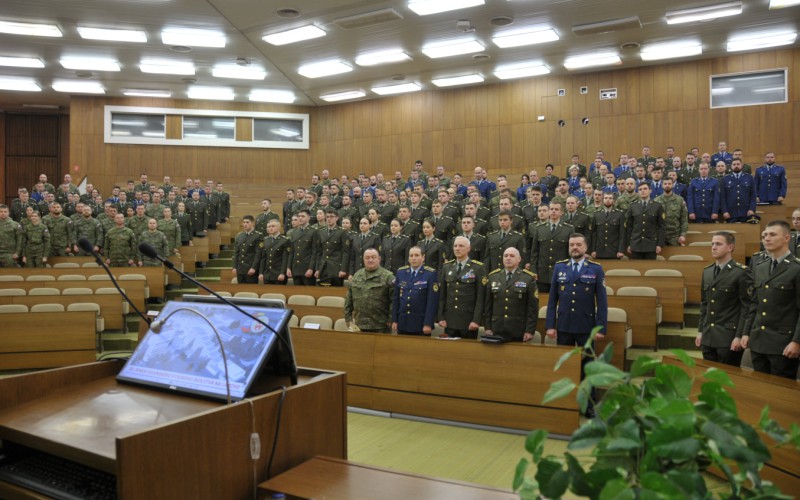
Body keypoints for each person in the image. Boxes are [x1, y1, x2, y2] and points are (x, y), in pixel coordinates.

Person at [545, 234, 608, 416]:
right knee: (565, 367)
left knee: (588, 368)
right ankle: (564, 404)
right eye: (572, 244)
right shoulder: (559, 267)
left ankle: (588, 406)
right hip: (564, 326)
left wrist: (601, 328)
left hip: (586, 327)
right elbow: (552, 300)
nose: (575, 247)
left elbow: (602, 302)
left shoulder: (595, 269)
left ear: (585, 247)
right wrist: (550, 325)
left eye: (578, 244)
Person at [741, 221, 800, 379]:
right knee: (759, 387)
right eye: (764, 235)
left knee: (781, 391)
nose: (767, 238)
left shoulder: (796, 268)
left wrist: (797, 341)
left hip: (783, 344)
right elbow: (755, 304)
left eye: (772, 234)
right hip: (758, 341)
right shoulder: (760, 267)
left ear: (787, 238)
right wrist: (746, 332)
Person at [696, 232, 752, 367]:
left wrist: (739, 336)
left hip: (728, 337)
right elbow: (705, 304)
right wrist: (700, 331)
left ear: (730, 247)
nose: (714, 247)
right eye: (712, 244)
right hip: (708, 336)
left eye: (718, 244)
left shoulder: (741, 272)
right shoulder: (707, 271)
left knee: (728, 377)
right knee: (709, 376)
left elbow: (746, 308)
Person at [484, 247, 538, 342]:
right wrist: (487, 327)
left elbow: (532, 308)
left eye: (512, 256)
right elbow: (488, 306)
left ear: (519, 259)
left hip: (518, 330)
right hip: (496, 329)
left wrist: (530, 330)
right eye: (506, 256)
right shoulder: (493, 277)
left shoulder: (528, 278)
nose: (508, 258)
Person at [438, 236, 486, 339]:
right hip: (450, 320)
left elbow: (480, 298)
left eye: (461, 246)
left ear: (469, 248)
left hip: (468, 321)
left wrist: (476, 320)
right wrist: (441, 317)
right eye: (455, 246)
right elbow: (442, 296)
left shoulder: (478, 268)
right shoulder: (447, 267)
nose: (457, 248)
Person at [344, 248, 395, 332]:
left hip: (380, 326)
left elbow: (394, 300)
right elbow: (349, 299)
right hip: (359, 324)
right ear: (363, 259)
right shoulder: (357, 276)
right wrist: (348, 318)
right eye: (367, 258)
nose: (370, 260)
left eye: (373, 257)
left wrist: (391, 318)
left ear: (379, 259)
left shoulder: (388, 277)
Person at [392, 246, 440, 336]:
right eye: (411, 256)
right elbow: (396, 299)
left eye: (417, 255)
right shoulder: (401, 272)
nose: (413, 258)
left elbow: (432, 302)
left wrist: (428, 323)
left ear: (423, 257)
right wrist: (394, 320)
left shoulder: (430, 274)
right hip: (403, 322)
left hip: (420, 324)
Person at [528, 201, 571, 292]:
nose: (553, 211)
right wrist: (533, 271)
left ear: (561, 212)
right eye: (551, 209)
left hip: (561, 273)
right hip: (542, 274)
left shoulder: (568, 229)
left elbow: (570, 254)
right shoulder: (540, 229)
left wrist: (569, 271)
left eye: (556, 209)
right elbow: (534, 253)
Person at [625, 183, 665, 260]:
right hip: (636, 244)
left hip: (651, 244)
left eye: (645, 189)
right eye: (640, 189)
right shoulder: (633, 206)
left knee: (650, 266)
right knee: (636, 266)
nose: (642, 191)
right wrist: (629, 244)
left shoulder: (657, 206)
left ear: (650, 190)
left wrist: (659, 244)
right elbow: (629, 226)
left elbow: (661, 227)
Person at [314, 209, 351, 287]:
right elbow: (319, 252)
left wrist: (343, 269)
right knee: (323, 291)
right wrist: (317, 268)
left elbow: (345, 252)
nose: (329, 219)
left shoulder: (342, 232)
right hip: (323, 267)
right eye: (327, 217)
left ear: (337, 218)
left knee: (336, 291)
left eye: (331, 217)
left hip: (336, 268)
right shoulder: (321, 232)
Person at [287, 209, 319, 286]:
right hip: (296, 268)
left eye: (303, 216)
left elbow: (315, 252)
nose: (300, 218)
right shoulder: (294, 232)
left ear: (309, 218)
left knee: (308, 292)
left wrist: (311, 268)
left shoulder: (314, 231)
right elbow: (292, 252)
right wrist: (288, 267)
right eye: (299, 216)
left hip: (307, 268)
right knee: (297, 292)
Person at [654, 177, 689, 246]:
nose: (667, 185)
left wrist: (683, 235)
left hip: (675, 236)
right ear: (662, 185)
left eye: (669, 184)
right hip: (660, 236)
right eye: (665, 184)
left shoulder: (680, 200)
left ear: (673, 185)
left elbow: (684, 219)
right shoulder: (656, 200)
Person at [720, 158, 756, 223]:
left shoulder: (749, 178)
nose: (736, 166)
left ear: (742, 165)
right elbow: (723, 197)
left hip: (746, 212)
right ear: (731, 166)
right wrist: (725, 211)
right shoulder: (725, 179)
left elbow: (753, 196)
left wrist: (751, 209)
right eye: (734, 164)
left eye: (738, 164)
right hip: (730, 213)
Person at [591, 193, 626, 259]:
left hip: (614, 250)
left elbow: (622, 234)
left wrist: (620, 250)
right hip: (599, 250)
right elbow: (594, 234)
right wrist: (593, 250)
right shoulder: (596, 214)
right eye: (606, 198)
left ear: (613, 200)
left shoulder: (619, 214)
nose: (608, 200)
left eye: (610, 198)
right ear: (602, 200)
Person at [257, 219, 291, 285]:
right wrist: (261, 272)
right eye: (269, 226)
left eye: (273, 226)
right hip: (267, 274)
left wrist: (282, 273)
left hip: (278, 273)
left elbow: (285, 259)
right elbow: (263, 258)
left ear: (279, 227)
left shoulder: (285, 240)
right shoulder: (266, 240)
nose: (270, 228)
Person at [231, 215, 262, 284]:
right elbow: (236, 253)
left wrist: (254, 267)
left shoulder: (258, 236)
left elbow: (258, 254)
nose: (245, 224)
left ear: (253, 223)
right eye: (244, 222)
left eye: (247, 222)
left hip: (250, 269)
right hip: (240, 269)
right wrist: (234, 267)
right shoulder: (239, 236)